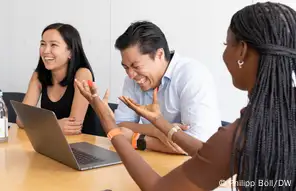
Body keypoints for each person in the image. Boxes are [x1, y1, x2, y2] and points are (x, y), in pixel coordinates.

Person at [75, 2, 296, 190]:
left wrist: (109, 124)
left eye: (226, 44)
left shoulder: (240, 135)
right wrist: (159, 123)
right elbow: (209, 154)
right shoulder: (273, 123)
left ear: (242, 51)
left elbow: (157, 188)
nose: (224, 53)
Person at [113, 21, 221, 154]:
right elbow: (119, 127)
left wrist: (138, 139)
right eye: (125, 67)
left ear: (159, 55)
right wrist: (158, 130)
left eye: (136, 66)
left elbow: (198, 144)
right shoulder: (133, 79)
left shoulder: (192, 75)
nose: (130, 74)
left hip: (197, 168)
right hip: (155, 161)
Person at [16, 23, 98, 136]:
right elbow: (21, 119)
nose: (45, 51)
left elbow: (74, 127)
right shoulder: (38, 75)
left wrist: (39, 124)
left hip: (83, 145)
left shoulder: (82, 74)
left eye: (53, 45)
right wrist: (56, 125)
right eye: (43, 44)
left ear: (70, 52)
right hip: (53, 141)